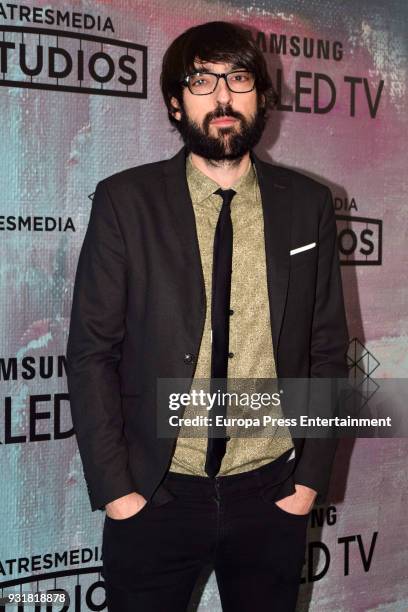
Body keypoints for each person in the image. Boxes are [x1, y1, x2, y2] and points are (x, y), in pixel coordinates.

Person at [66, 20, 349, 612]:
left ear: (261, 97)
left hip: (273, 494)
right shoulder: (125, 202)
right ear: (175, 102)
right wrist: (119, 492)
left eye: (239, 78)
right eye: (202, 80)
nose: (222, 97)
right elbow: (92, 351)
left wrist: (308, 482)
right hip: (156, 495)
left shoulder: (309, 205)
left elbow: (327, 347)